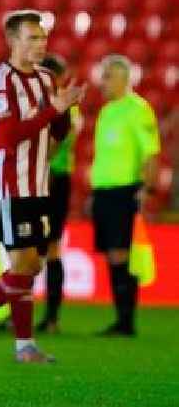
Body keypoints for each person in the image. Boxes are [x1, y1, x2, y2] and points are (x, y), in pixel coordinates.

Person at [0, 10, 85, 362]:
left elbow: (55, 131)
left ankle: (10, 339)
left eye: (42, 38)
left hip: (38, 183)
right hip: (10, 184)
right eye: (32, 38)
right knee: (25, 264)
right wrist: (51, 110)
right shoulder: (1, 80)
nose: (41, 45)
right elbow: (7, 137)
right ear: (13, 41)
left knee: (31, 265)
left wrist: (65, 114)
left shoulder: (45, 79)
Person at [91, 54, 160, 337]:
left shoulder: (138, 109)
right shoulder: (107, 111)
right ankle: (121, 318)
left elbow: (151, 153)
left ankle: (126, 320)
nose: (103, 82)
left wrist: (147, 188)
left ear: (123, 78)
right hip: (104, 191)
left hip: (124, 191)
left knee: (121, 254)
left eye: (108, 76)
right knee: (111, 254)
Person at [36, 54, 82, 333]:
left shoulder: (67, 111)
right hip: (35, 179)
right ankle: (28, 312)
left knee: (51, 246)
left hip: (54, 181)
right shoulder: (40, 106)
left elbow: (56, 148)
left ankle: (52, 316)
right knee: (30, 248)